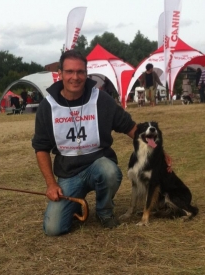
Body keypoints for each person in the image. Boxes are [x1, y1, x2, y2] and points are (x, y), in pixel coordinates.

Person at [32, 50, 137, 236]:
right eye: (70, 72)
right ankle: (75, 206)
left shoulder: (101, 99)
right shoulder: (47, 107)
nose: (75, 77)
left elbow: (130, 127)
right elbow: (41, 148)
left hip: (99, 164)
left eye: (80, 72)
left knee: (110, 172)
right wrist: (51, 184)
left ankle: (104, 211)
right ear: (60, 74)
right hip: (68, 173)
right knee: (53, 229)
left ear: (86, 73)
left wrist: (157, 150)